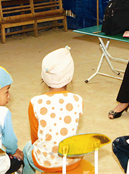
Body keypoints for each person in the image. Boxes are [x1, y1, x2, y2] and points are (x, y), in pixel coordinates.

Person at [23, 46, 83, 174]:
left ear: (43, 77)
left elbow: (35, 137)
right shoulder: (77, 100)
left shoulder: (35, 102)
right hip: (71, 162)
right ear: (70, 76)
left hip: (45, 163)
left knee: (27, 147)